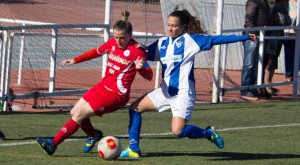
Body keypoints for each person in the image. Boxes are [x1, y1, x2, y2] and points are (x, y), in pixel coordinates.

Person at [119, 9, 256, 158]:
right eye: (169, 25)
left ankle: (207, 133)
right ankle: (134, 149)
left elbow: (217, 39)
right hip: (165, 91)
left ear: (183, 26)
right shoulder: (162, 43)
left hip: (183, 93)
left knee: (178, 131)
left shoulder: (191, 40)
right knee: (134, 109)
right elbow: (143, 53)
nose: (170, 28)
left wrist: (244, 37)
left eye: (175, 26)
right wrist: (136, 48)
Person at [35, 11, 153, 156]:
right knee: (74, 112)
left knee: (78, 115)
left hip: (117, 95)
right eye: (116, 37)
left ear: (130, 35)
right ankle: (93, 135)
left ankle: (52, 144)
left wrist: (141, 69)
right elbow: (95, 52)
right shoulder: (111, 43)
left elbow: (149, 76)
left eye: (122, 38)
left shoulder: (137, 52)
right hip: (102, 86)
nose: (118, 41)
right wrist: (75, 60)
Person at [241, 0, 270, 100]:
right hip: (252, 37)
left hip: (260, 36)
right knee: (249, 64)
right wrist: (253, 35)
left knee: (256, 65)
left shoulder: (265, 2)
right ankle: (245, 89)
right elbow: (249, 19)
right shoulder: (253, 1)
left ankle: (252, 89)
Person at [264, 0, 291, 95]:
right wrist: (285, 11)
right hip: (272, 38)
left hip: (277, 38)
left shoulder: (282, 9)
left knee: (273, 61)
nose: (287, 3)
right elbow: (284, 22)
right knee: (270, 61)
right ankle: (266, 85)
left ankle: (268, 84)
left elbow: (288, 22)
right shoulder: (278, 8)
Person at [284, 0, 298, 83]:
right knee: (289, 54)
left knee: (297, 55)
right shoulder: (288, 2)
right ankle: (288, 75)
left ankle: (294, 74)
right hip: (290, 31)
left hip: (298, 31)